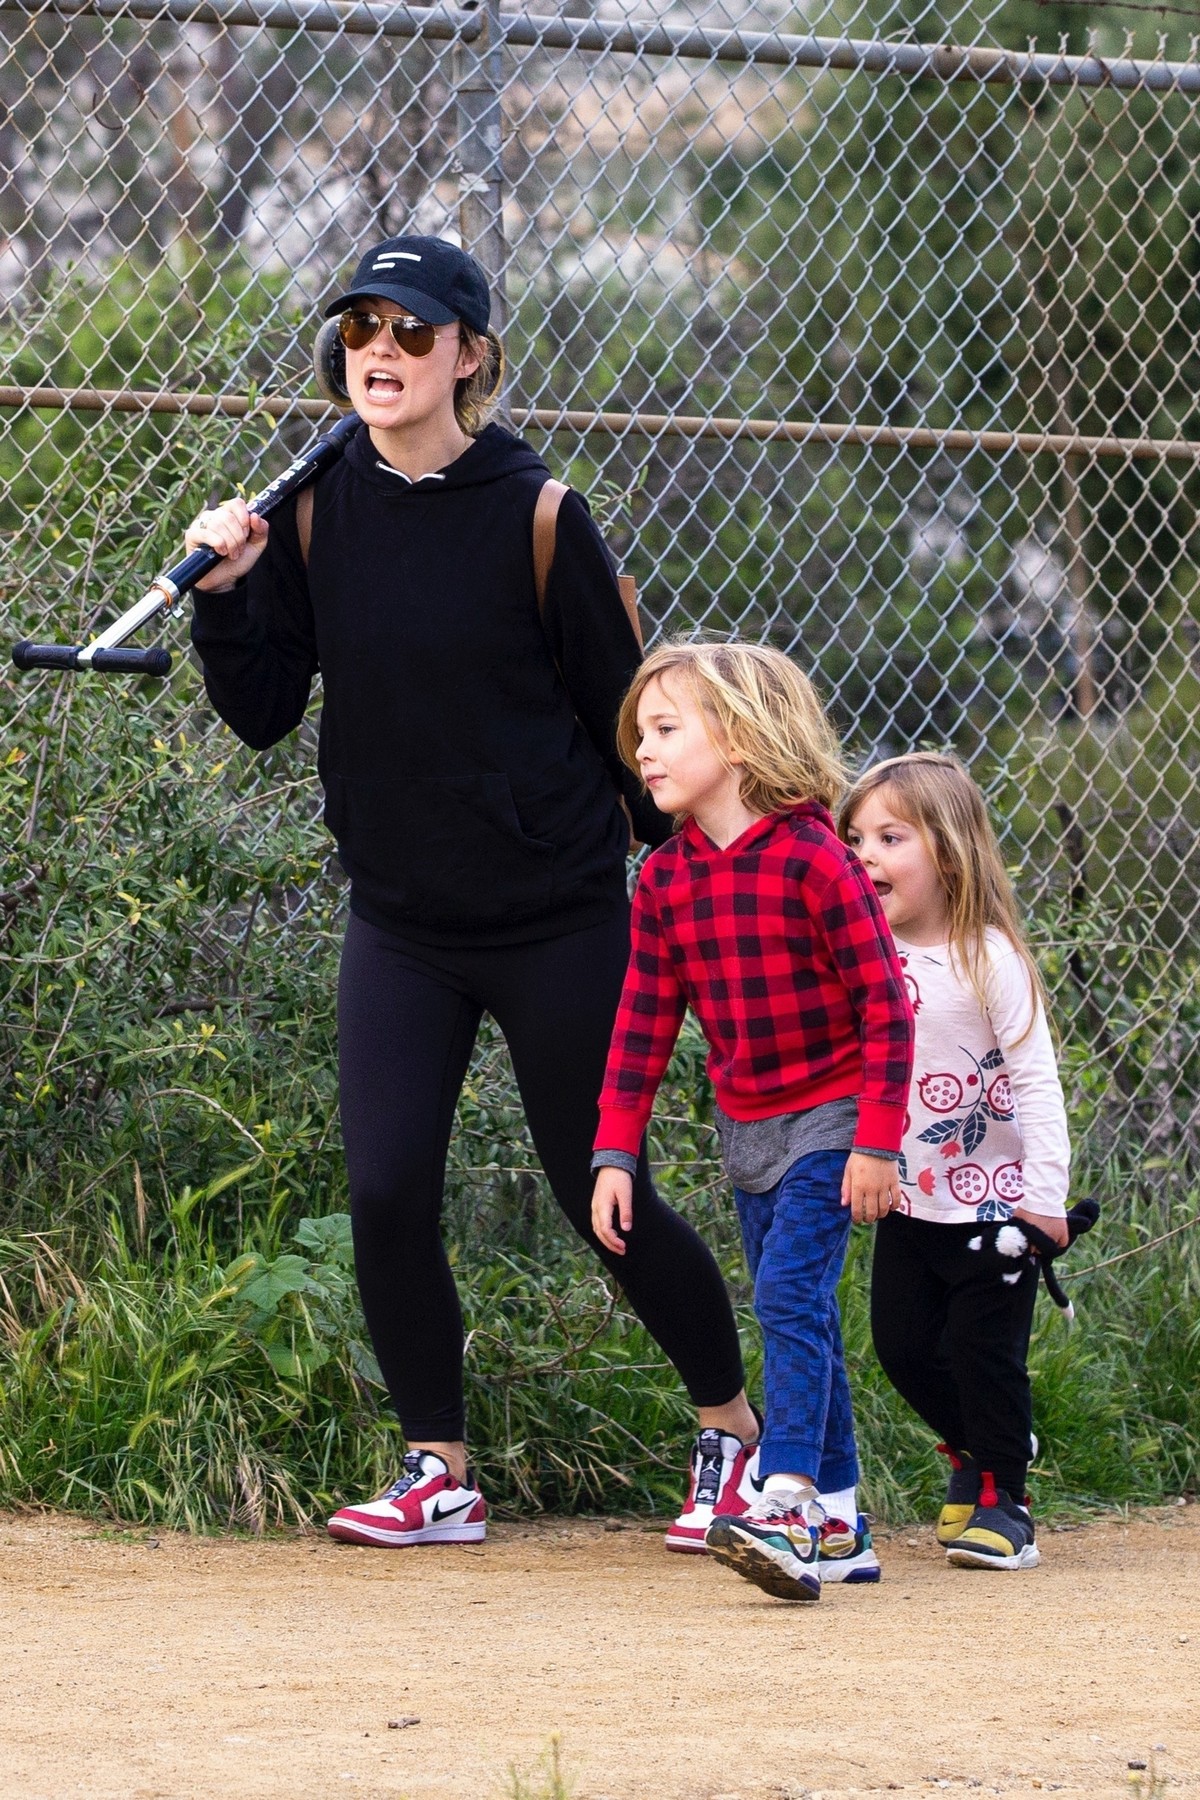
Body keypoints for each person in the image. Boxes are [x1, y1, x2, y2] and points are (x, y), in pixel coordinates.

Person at [183, 233, 759, 1547]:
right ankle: (437, 1467)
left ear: (470, 358)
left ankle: (730, 1432)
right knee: (385, 1190)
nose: (379, 353)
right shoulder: (319, 504)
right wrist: (226, 594)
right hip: (402, 919)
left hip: (557, 914)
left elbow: (626, 722)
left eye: (411, 332)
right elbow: (267, 710)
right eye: (360, 332)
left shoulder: (539, 514)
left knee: (598, 1193)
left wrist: (683, 899)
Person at [591, 643, 914, 1601]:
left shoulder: (816, 856)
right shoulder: (664, 884)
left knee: (782, 1297)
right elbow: (642, 1026)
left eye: (665, 730)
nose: (643, 754)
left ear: (735, 739)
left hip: (838, 1114)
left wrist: (877, 1141)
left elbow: (886, 1006)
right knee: (801, 1306)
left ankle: (786, 1498)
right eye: (638, 735)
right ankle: (845, 1523)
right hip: (752, 1131)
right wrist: (615, 1152)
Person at [840, 752, 1071, 1573]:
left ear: (948, 849)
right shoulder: (863, 957)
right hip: (905, 1200)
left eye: (890, 836)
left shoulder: (989, 959)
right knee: (902, 1348)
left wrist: (1045, 1201)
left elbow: (1037, 1083)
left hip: (996, 1211)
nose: (864, 854)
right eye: (856, 837)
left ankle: (1005, 1501)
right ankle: (983, 1444)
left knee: (985, 1355)